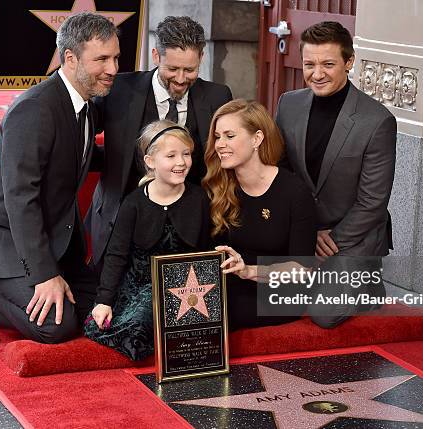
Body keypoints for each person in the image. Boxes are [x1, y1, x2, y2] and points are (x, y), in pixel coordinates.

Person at [0, 13, 119, 345]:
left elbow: (77, 155)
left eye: (115, 57)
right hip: (9, 241)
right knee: (56, 327)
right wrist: (44, 275)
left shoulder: (88, 104)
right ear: (70, 58)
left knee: (103, 311)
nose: (113, 68)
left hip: (59, 237)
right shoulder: (34, 109)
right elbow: (20, 199)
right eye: (102, 59)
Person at [86, 15, 232, 274]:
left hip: (190, 225)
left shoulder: (218, 95)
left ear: (201, 59)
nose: (180, 78)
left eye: (190, 70)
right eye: (172, 69)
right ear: (156, 55)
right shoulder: (118, 89)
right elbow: (80, 131)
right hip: (122, 218)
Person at [275, 21, 397, 328]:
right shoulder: (288, 104)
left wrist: (332, 239)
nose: (317, 74)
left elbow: (373, 202)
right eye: (309, 64)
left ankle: (368, 286)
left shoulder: (378, 121)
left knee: (324, 314)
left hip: (353, 233)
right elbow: (282, 174)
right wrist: (304, 232)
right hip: (304, 228)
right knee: (268, 301)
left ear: (349, 62)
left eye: (328, 64)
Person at [84, 121, 210, 360]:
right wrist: (104, 300)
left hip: (183, 289)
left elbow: (205, 252)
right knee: (126, 324)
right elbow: (117, 255)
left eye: (186, 154)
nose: (181, 162)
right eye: (171, 155)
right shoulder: (133, 203)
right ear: (150, 161)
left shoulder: (199, 198)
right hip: (138, 287)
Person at [202, 100, 317, 331]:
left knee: (215, 311)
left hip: (279, 292)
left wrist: (250, 272)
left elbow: (302, 269)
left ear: (257, 139)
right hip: (232, 284)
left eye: (229, 136)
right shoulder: (219, 186)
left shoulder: (294, 192)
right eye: (217, 136)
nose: (220, 145)